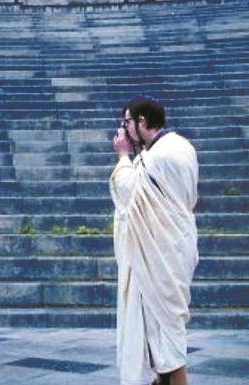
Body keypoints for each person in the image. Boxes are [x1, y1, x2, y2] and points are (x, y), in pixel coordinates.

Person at [111, 96, 199, 385]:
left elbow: (128, 195)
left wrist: (123, 157)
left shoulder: (157, 157)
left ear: (142, 122)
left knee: (170, 349)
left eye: (127, 122)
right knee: (164, 339)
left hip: (158, 256)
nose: (124, 130)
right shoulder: (182, 146)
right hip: (175, 246)